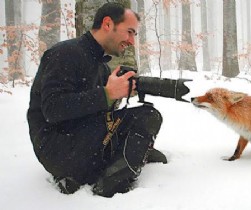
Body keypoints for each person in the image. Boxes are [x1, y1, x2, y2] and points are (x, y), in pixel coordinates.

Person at [27, 2, 167, 197]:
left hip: (80, 140)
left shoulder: (101, 66)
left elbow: (94, 113)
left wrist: (116, 96)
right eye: (129, 32)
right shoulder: (64, 53)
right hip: (59, 148)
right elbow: (52, 109)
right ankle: (110, 185)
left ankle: (129, 152)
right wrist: (106, 94)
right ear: (108, 24)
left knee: (140, 116)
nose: (131, 41)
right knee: (147, 117)